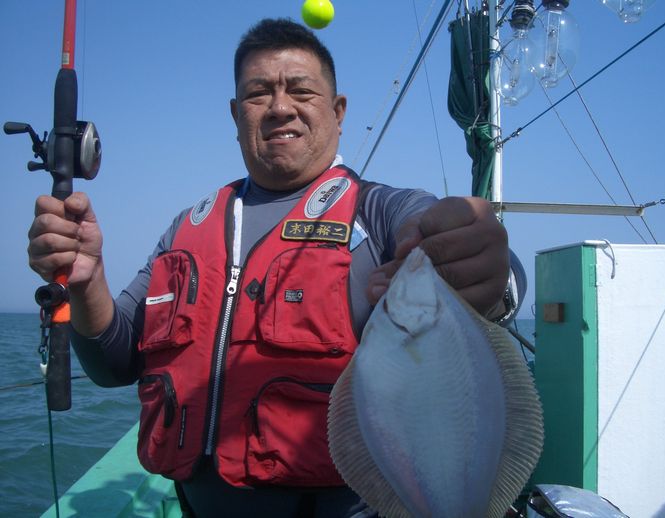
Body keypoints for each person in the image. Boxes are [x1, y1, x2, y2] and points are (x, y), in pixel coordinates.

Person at [27, 18, 519, 518]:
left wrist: (486, 264)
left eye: (301, 90)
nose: (281, 107)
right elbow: (114, 363)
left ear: (338, 110)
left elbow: (476, 261)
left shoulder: (383, 211)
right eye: (259, 93)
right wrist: (87, 279)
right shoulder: (186, 228)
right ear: (236, 113)